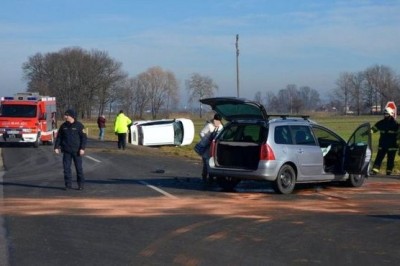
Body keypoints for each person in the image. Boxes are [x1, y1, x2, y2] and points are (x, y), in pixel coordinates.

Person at [54, 109, 87, 190]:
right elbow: (59, 137)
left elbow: (84, 138)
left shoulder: (79, 126)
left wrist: (82, 148)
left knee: (79, 168)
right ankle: (68, 185)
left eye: (66, 115)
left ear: (71, 116)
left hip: (77, 151)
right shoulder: (63, 126)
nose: (65, 116)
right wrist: (56, 147)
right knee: (66, 169)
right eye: (65, 115)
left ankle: (80, 185)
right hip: (66, 151)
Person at [371, 107, 399, 175]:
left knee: (390, 160)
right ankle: (375, 171)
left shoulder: (396, 124)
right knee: (379, 158)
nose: (385, 116)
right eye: (385, 114)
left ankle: (389, 172)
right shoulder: (381, 123)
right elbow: (373, 129)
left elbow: (399, 135)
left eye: (387, 114)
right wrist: (368, 132)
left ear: (391, 114)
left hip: (392, 146)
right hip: (382, 145)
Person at [199, 113, 223, 183]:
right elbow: (201, 133)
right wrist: (206, 140)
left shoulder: (221, 127)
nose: (217, 122)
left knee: (212, 162)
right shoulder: (209, 125)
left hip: (215, 147)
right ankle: (204, 176)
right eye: (216, 120)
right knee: (206, 162)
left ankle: (211, 176)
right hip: (207, 146)